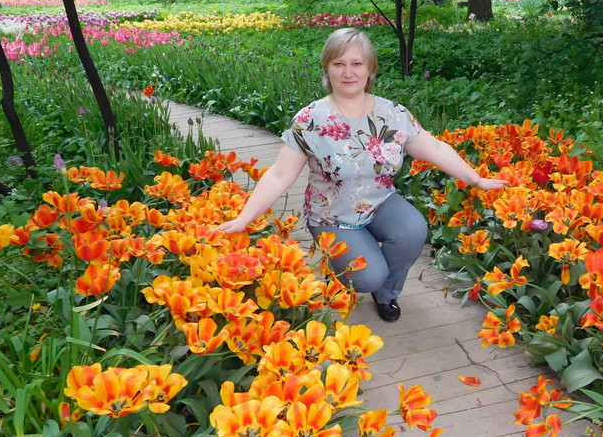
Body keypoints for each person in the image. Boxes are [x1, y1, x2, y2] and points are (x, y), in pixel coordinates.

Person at [217, 27, 508, 321]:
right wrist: (244, 219)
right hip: (332, 215)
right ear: (327, 68)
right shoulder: (311, 120)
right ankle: (353, 269)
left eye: (356, 64)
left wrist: (477, 180)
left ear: (370, 69)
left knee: (412, 230)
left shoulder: (392, 114)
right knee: (369, 276)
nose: (348, 73)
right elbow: (280, 175)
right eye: (338, 64)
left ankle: (387, 294)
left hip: (380, 202)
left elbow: (434, 148)